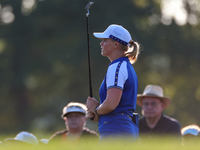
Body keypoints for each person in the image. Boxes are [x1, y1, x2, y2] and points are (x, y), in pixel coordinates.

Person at [86, 24, 141, 141]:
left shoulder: (117, 66)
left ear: (116, 44)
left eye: (105, 41)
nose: (101, 43)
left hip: (116, 131)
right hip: (122, 129)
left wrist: (95, 109)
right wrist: (98, 113)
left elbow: (111, 104)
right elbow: (116, 108)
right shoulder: (125, 65)